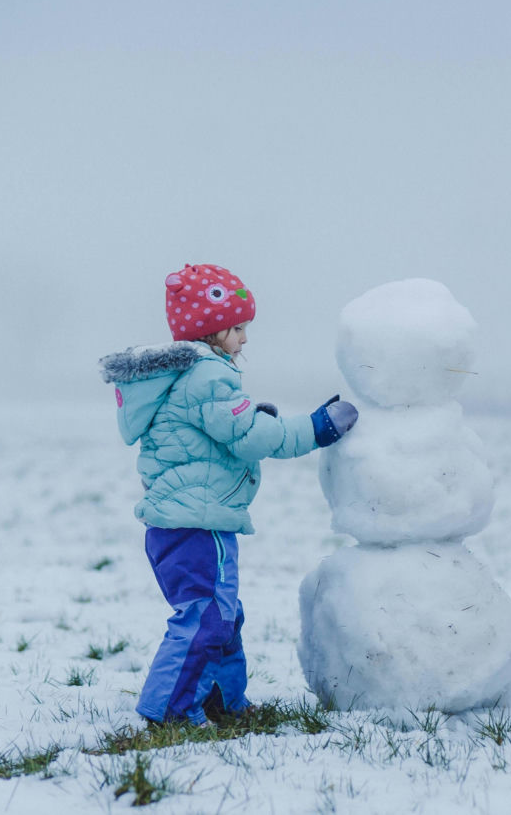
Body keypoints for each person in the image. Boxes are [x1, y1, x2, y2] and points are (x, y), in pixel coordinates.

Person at [99, 264, 358, 727]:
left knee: (223, 616)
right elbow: (251, 438)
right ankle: (170, 710)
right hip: (197, 525)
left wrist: (251, 415)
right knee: (204, 617)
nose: (244, 338)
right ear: (210, 331)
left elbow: (220, 428)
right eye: (237, 328)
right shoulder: (207, 376)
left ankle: (220, 698)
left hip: (181, 523)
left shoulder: (188, 377)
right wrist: (315, 429)